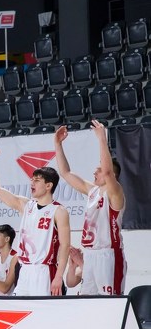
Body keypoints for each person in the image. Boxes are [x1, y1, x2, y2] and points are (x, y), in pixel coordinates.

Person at [0, 139, 70, 296]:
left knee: (42, 311)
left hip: (44, 270)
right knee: (21, 309)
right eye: (32, 179)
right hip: (24, 271)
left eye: (37, 180)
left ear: (48, 185)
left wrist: (59, 277)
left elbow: (65, 246)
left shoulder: (59, 211)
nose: (32, 183)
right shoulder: (26, 205)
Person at [54, 120, 126, 295]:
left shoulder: (115, 192)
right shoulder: (92, 191)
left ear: (113, 175)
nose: (95, 172)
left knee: (108, 303)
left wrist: (102, 139)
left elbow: (107, 173)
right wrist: (57, 144)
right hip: (90, 254)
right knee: (87, 301)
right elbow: (65, 173)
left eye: (98, 169)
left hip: (108, 254)